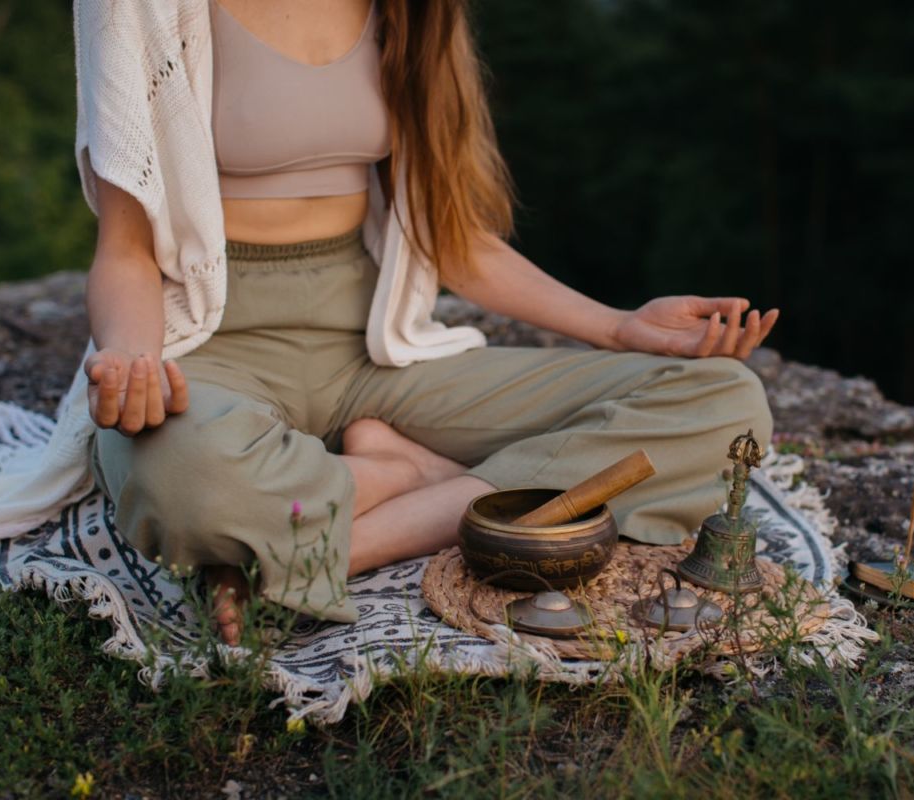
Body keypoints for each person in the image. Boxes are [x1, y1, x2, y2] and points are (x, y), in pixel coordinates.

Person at [79, 0, 778, 645]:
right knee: (180, 477)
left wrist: (618, 327)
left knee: (723, 401)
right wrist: (133, 358)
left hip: (374, 357)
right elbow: (125, 250)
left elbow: (449, 234)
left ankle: (348, 542)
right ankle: (407, 473)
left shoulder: (414, 9)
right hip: (212, 348)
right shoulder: (140, 8)